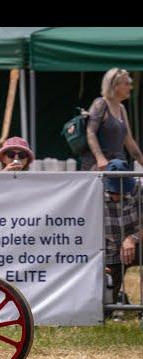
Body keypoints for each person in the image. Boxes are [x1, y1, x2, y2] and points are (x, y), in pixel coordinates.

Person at [103, 159, 143, 323]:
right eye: (113, 191)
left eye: (121, 190)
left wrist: (133, 238)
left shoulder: (138, 189)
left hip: (138, 240)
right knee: (104, 308)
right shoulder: (93, 191)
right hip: (109, 249)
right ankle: (118, 302)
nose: (117, 195)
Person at [82, 68, 143, 171]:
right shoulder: (100, 104)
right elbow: (90, 132)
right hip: (100, 167)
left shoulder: (122, 109)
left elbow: (129, 140)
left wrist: (141, 160)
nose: (130, 87)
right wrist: (100, 158)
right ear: (114, 85)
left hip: (118, 166)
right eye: (127, 84)